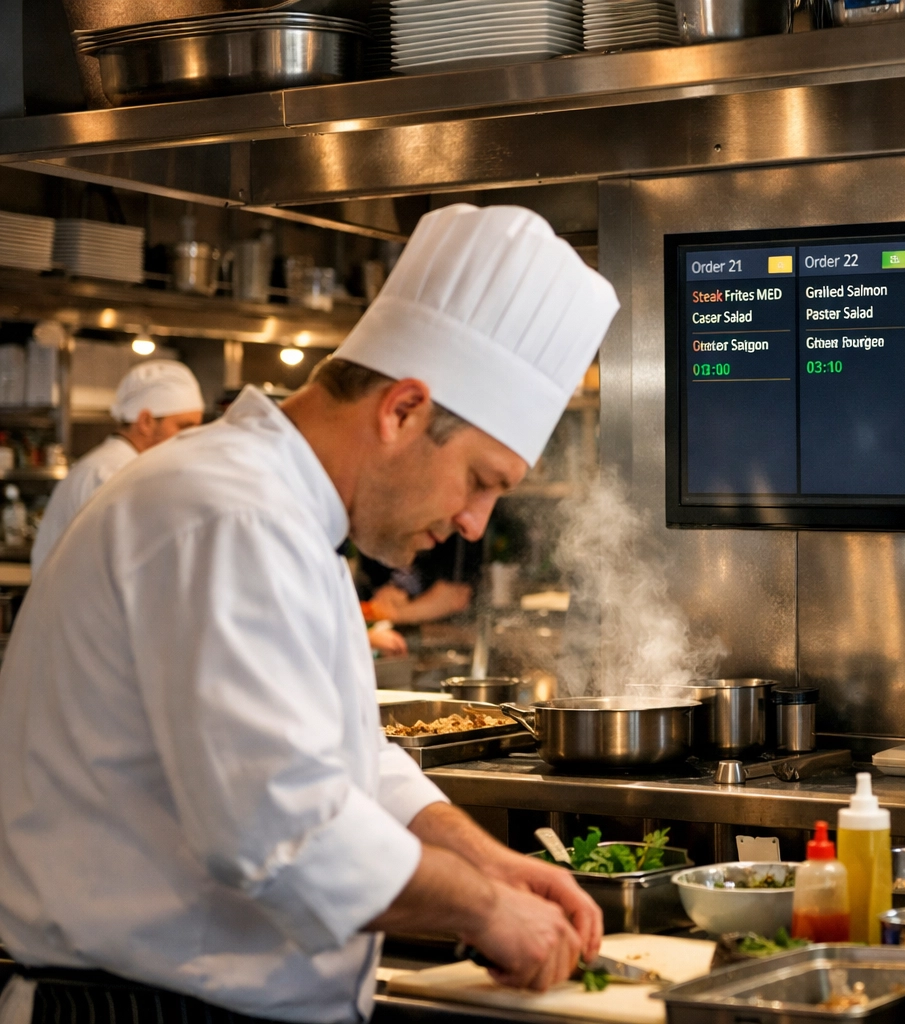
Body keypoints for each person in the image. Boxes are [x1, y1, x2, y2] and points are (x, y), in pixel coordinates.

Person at [0, 205, 619, 1024]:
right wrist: (488, 912)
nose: (475, 522)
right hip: (146, 1007)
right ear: (401, 410)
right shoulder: (229, 513)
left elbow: (351, 760)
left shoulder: (285, 517)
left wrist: (489, 862)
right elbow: (282, 828)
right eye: (481, 479)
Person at [30, 360, 204, 570]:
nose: (193, 437)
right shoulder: (112, 474)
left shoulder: (120, 467)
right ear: (146, 421)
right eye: (184, 427)